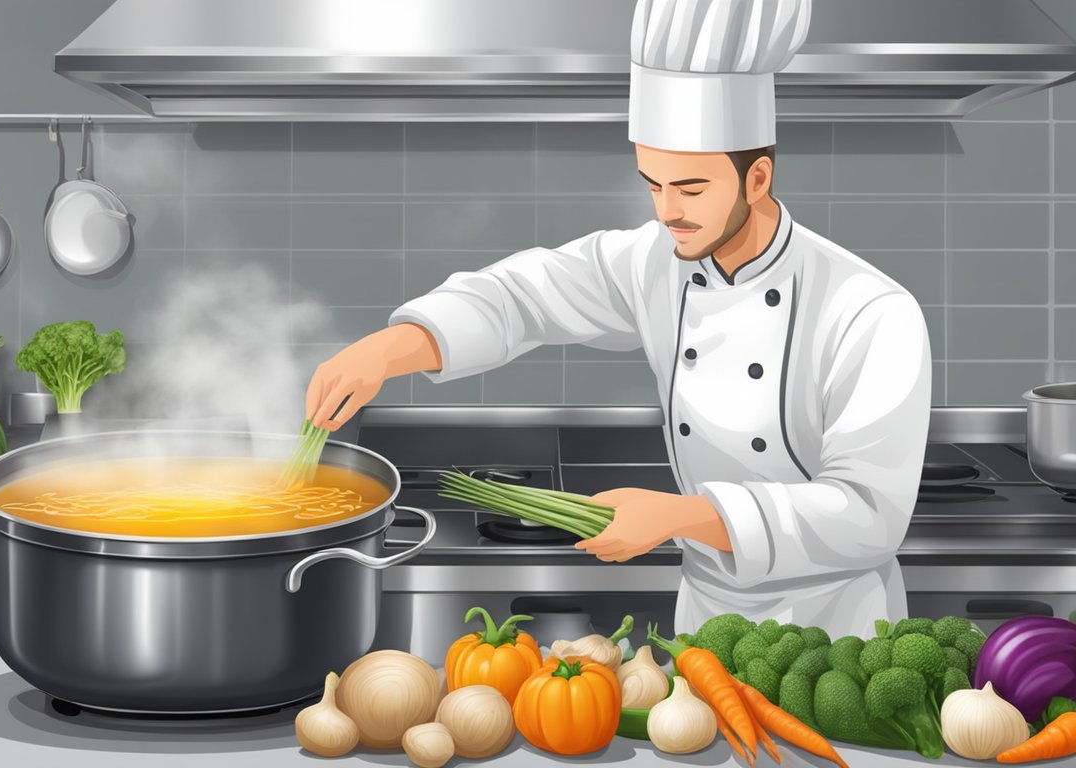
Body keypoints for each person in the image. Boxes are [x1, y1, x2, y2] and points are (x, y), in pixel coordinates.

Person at [303, 0, 930, 640]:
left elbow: (867, 515)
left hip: (838, 634)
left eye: (689, 189)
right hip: (708, 619)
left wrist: (681, 516)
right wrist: (389, 350)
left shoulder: (870, 311)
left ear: (758, 178)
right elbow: (524, 294)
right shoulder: (660, 261)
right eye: (652, 184)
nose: (666, 212)